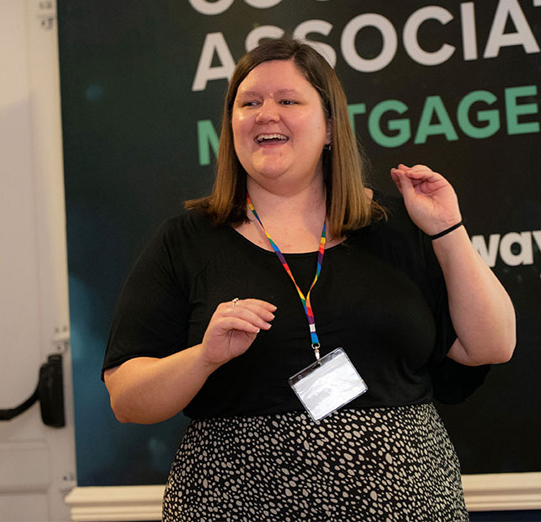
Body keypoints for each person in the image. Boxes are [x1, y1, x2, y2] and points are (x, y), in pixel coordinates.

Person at [102, 37, 516, 521]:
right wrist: (202, 359)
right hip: (236, 506)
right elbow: (126, 399)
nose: (265, 113)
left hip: (408, 502)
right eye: (249, 102)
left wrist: (447, 229)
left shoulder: (399, 224)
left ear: (329, 128)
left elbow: (491, 345)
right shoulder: (186, 241)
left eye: (288, 100)